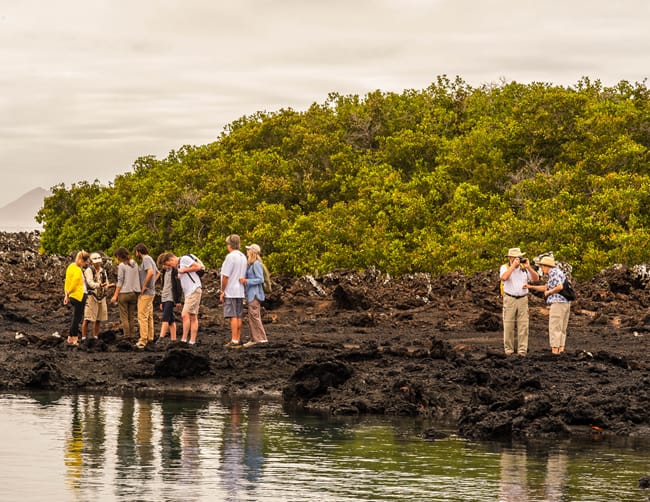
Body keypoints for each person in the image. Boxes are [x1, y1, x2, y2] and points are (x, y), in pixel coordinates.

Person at [525, 256, 571, 354]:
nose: (541, 269)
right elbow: (546, 287)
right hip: (565, 302)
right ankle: (561, 349)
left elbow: (559, 287)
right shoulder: (558, 272)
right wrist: (531, 286)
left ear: (546, 266)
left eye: (542, 266)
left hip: (558, 303)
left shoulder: (553, 273)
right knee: (562, 327)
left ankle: (555, 350)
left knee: (554, 327)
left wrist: (549, 292)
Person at [500, 247, 539, 356]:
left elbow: (536, 279)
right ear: (511, 258)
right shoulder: (505, 267)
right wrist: (513, 266)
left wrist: (529, 267)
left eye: (520, 257)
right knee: (508, 325)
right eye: (516, 257)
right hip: (510, 298)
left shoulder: (524, 268)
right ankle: (509, 350)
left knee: (523, 325)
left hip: (523, 298)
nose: (519, 259)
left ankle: (522, 351)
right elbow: (504, 277)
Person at [159, 252, 203, 344]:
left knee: (185, 314)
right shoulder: (179, 265)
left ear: (171, 259)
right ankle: (192, 341)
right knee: (193, 316)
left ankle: (184, 339)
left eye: (170, 264)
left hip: (194, 289)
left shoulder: (184, 259)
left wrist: (184, 270)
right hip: (189, 292)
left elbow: (198, 267)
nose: (172, 266)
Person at [220, 234, 248, 348]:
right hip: (240, 290)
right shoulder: (243, 256)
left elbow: (225, 276)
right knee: (239, 315)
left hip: (231, 290)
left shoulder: (230, 257)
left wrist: (222, 290)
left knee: (233, 316)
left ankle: (234, 340)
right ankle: (238, 338)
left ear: (229, 245)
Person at [239, 244, 268, 347]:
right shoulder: (251, 264)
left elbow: (260, 279)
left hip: (255, 294)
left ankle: (261, 339)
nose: (246, 251)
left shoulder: (256, 264)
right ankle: (255, 338)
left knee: (254, 316)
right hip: (251, 294)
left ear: (252, 252)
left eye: (248, 250)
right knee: (253, 316)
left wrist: (247, 281)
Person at [110, 247, 141, 341]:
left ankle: (126, 335)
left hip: (124, 293)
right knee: (131, 315)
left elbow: (120, 281)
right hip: (134, 293)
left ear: (119, 256)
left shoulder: (122, 266)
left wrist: (115, 295)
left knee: (124, 316)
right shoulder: (134, 264)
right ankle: (132, 335)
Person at [82, 252, 113, 340]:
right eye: (96, 262)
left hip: (101, 296)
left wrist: (108, 286)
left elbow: (106, 283)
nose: (98, 263)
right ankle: (84, 337)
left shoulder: (103, 271)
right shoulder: (89, 270)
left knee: (99, 318)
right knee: (87, 318)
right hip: (91, 296)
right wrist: (100, 285)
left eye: (99, 262)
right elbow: (90, 283)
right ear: (92, 262)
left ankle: (95, 336)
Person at [134, 243, 159, 349]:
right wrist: (152, 284)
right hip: (151, 292)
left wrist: (144, 285)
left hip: (146, 293)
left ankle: (143, 340)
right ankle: (150, 337)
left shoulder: (146, 260)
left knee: (142, 316)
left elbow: (151, 272)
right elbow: (158, 273)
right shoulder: (151, 259)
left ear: (138, 251)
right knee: (149, 316)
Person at [63, 250, 90, 345]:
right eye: (86, 262)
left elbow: (67, 281)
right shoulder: (78, 270)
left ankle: (70, 338)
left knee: (75, 317)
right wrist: (69, 291)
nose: (86, 264)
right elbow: (74, 283)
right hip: (79, 295)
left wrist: (66, 294)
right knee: (77, 318)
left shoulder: (70, 267)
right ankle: (74, 338)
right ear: (82, 260)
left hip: (72, 296)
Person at [157, 252, 182, 342]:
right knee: (171, 320)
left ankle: (161, 338)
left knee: (165, 318)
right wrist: (161, 301)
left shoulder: (175, 271)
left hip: (171, 298)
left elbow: (178, 286)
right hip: (164, 297)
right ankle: (173, 339)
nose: (163, 267)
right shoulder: (164, 272)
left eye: (164, 265)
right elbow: (163, 286)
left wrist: (178, 300)